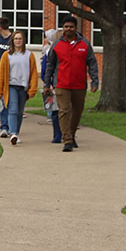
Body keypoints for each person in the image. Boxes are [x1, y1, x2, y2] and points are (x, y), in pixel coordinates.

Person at [43, 16, 99, 152]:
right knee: (64, 111)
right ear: (63, 28)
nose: (68, 29)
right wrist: (47, 83)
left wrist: (94, 80)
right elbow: (50, 64)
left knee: (77, 112)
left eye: (71, 27)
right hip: (61, 84)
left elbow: (92, 63)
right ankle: (67, 140)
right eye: (66, 27)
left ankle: (72, 134)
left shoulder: (84, 44)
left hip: (79, 84)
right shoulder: (57, 44)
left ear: (76, 28)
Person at [0, 31, 38, 145]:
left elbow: (34, 72)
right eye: (16, 39)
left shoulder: (29, 55)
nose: (18, 41)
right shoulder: (7, 55)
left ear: (23, 41)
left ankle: (16, 133)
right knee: (13, 109)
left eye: (20, 39)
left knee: (19, 112)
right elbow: (2, 74)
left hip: (23, 87)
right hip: (11, 86)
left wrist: (33, 89)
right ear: (12, 41)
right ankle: (13, 132)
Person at [41, 28, 62, 143]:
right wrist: (47, 83)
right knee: (57, 111)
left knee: (57, 111)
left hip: (59, 84)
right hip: (55, 84)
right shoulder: (49, 51)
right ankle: (59, 135)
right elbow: (46, 68)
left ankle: (59, 135)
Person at [0, 17, 13, 136]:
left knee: (11, 101)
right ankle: (4, 126)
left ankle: (12, 126)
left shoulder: (13, 39)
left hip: (10, 74)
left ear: (0, 27)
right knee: (1, 99)